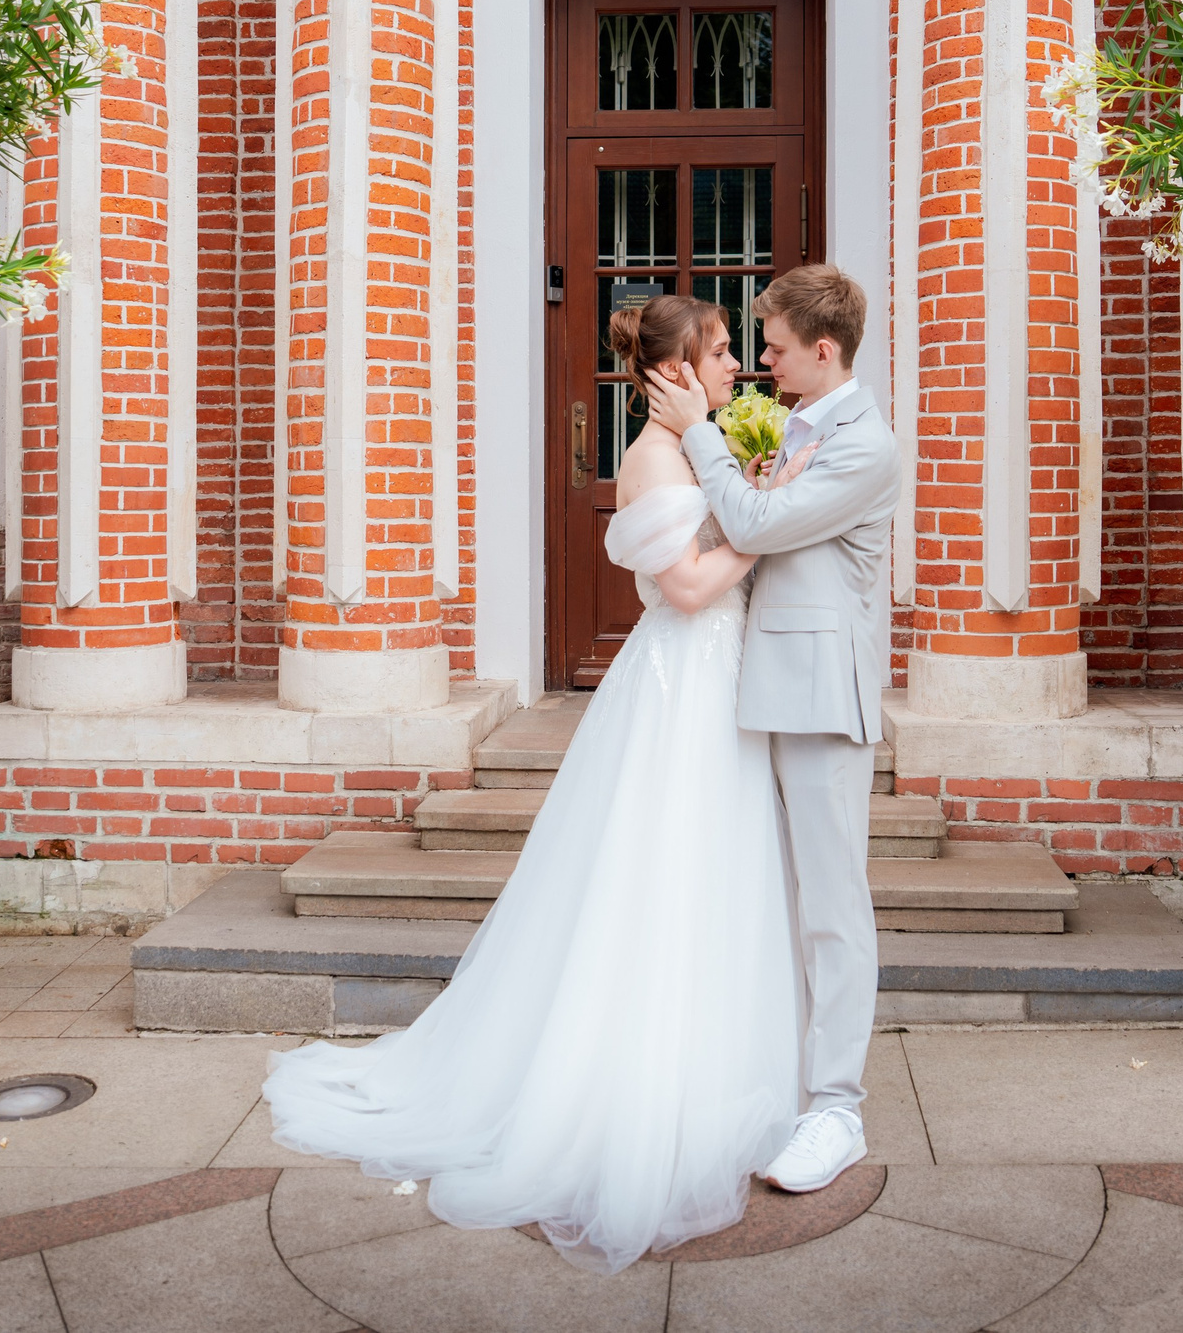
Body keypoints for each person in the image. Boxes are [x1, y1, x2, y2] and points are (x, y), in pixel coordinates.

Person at [263, 293, 808, 1275]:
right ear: (675, 369)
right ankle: (629, 1090)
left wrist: (758, 492)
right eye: (722, 350)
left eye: (737, 349)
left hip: (719, 680)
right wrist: (772, 521)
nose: (737, 364)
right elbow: (688, 588)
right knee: (660, 873)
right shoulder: (651, 462)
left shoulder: (700, 450)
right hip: (679, 690)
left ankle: (706, 1071)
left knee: (713, 879)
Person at [641, 262, 900, 1197]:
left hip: (822, 697)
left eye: (777, 347)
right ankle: (780, 1075)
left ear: (823, 351)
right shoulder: (797, 425)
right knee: (773, 900)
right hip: (755, 687)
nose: (762, 360)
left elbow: (755, 518)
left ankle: (837, 1109)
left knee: (832, 906)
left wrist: (696, 433)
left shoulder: (865, 447)